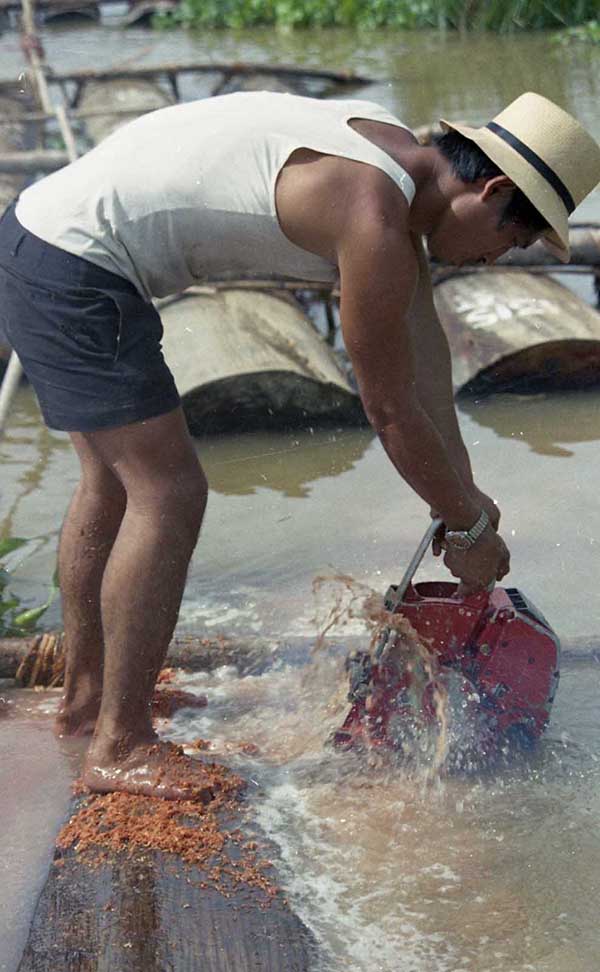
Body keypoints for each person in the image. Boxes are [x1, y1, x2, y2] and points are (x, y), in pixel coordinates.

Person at [0, 90, 598, 799]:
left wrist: (463, 501)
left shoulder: (392, 164)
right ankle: (119, 745)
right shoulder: (371, 215)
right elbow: (390, 409)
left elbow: (427, 366)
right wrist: (463, 524)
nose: (500, 259)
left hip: (52, 236)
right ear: (491, 189)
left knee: (111, 483)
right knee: (168, 492)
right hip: (74, 264)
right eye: (515, 238)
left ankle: (86, 704)